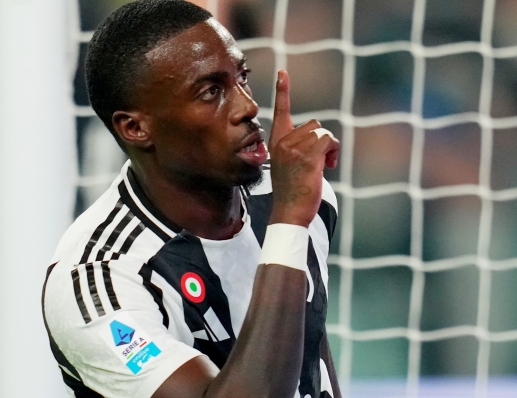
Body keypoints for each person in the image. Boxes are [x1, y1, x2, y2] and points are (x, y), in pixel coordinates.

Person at [41, 0, 341, 397]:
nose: (248, 107)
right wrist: (289, 223)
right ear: (135, 127)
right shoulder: (101, 281)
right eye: (211, 91)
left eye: (243, 78)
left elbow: (311, 361)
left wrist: (290, 216)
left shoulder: (292, 198)